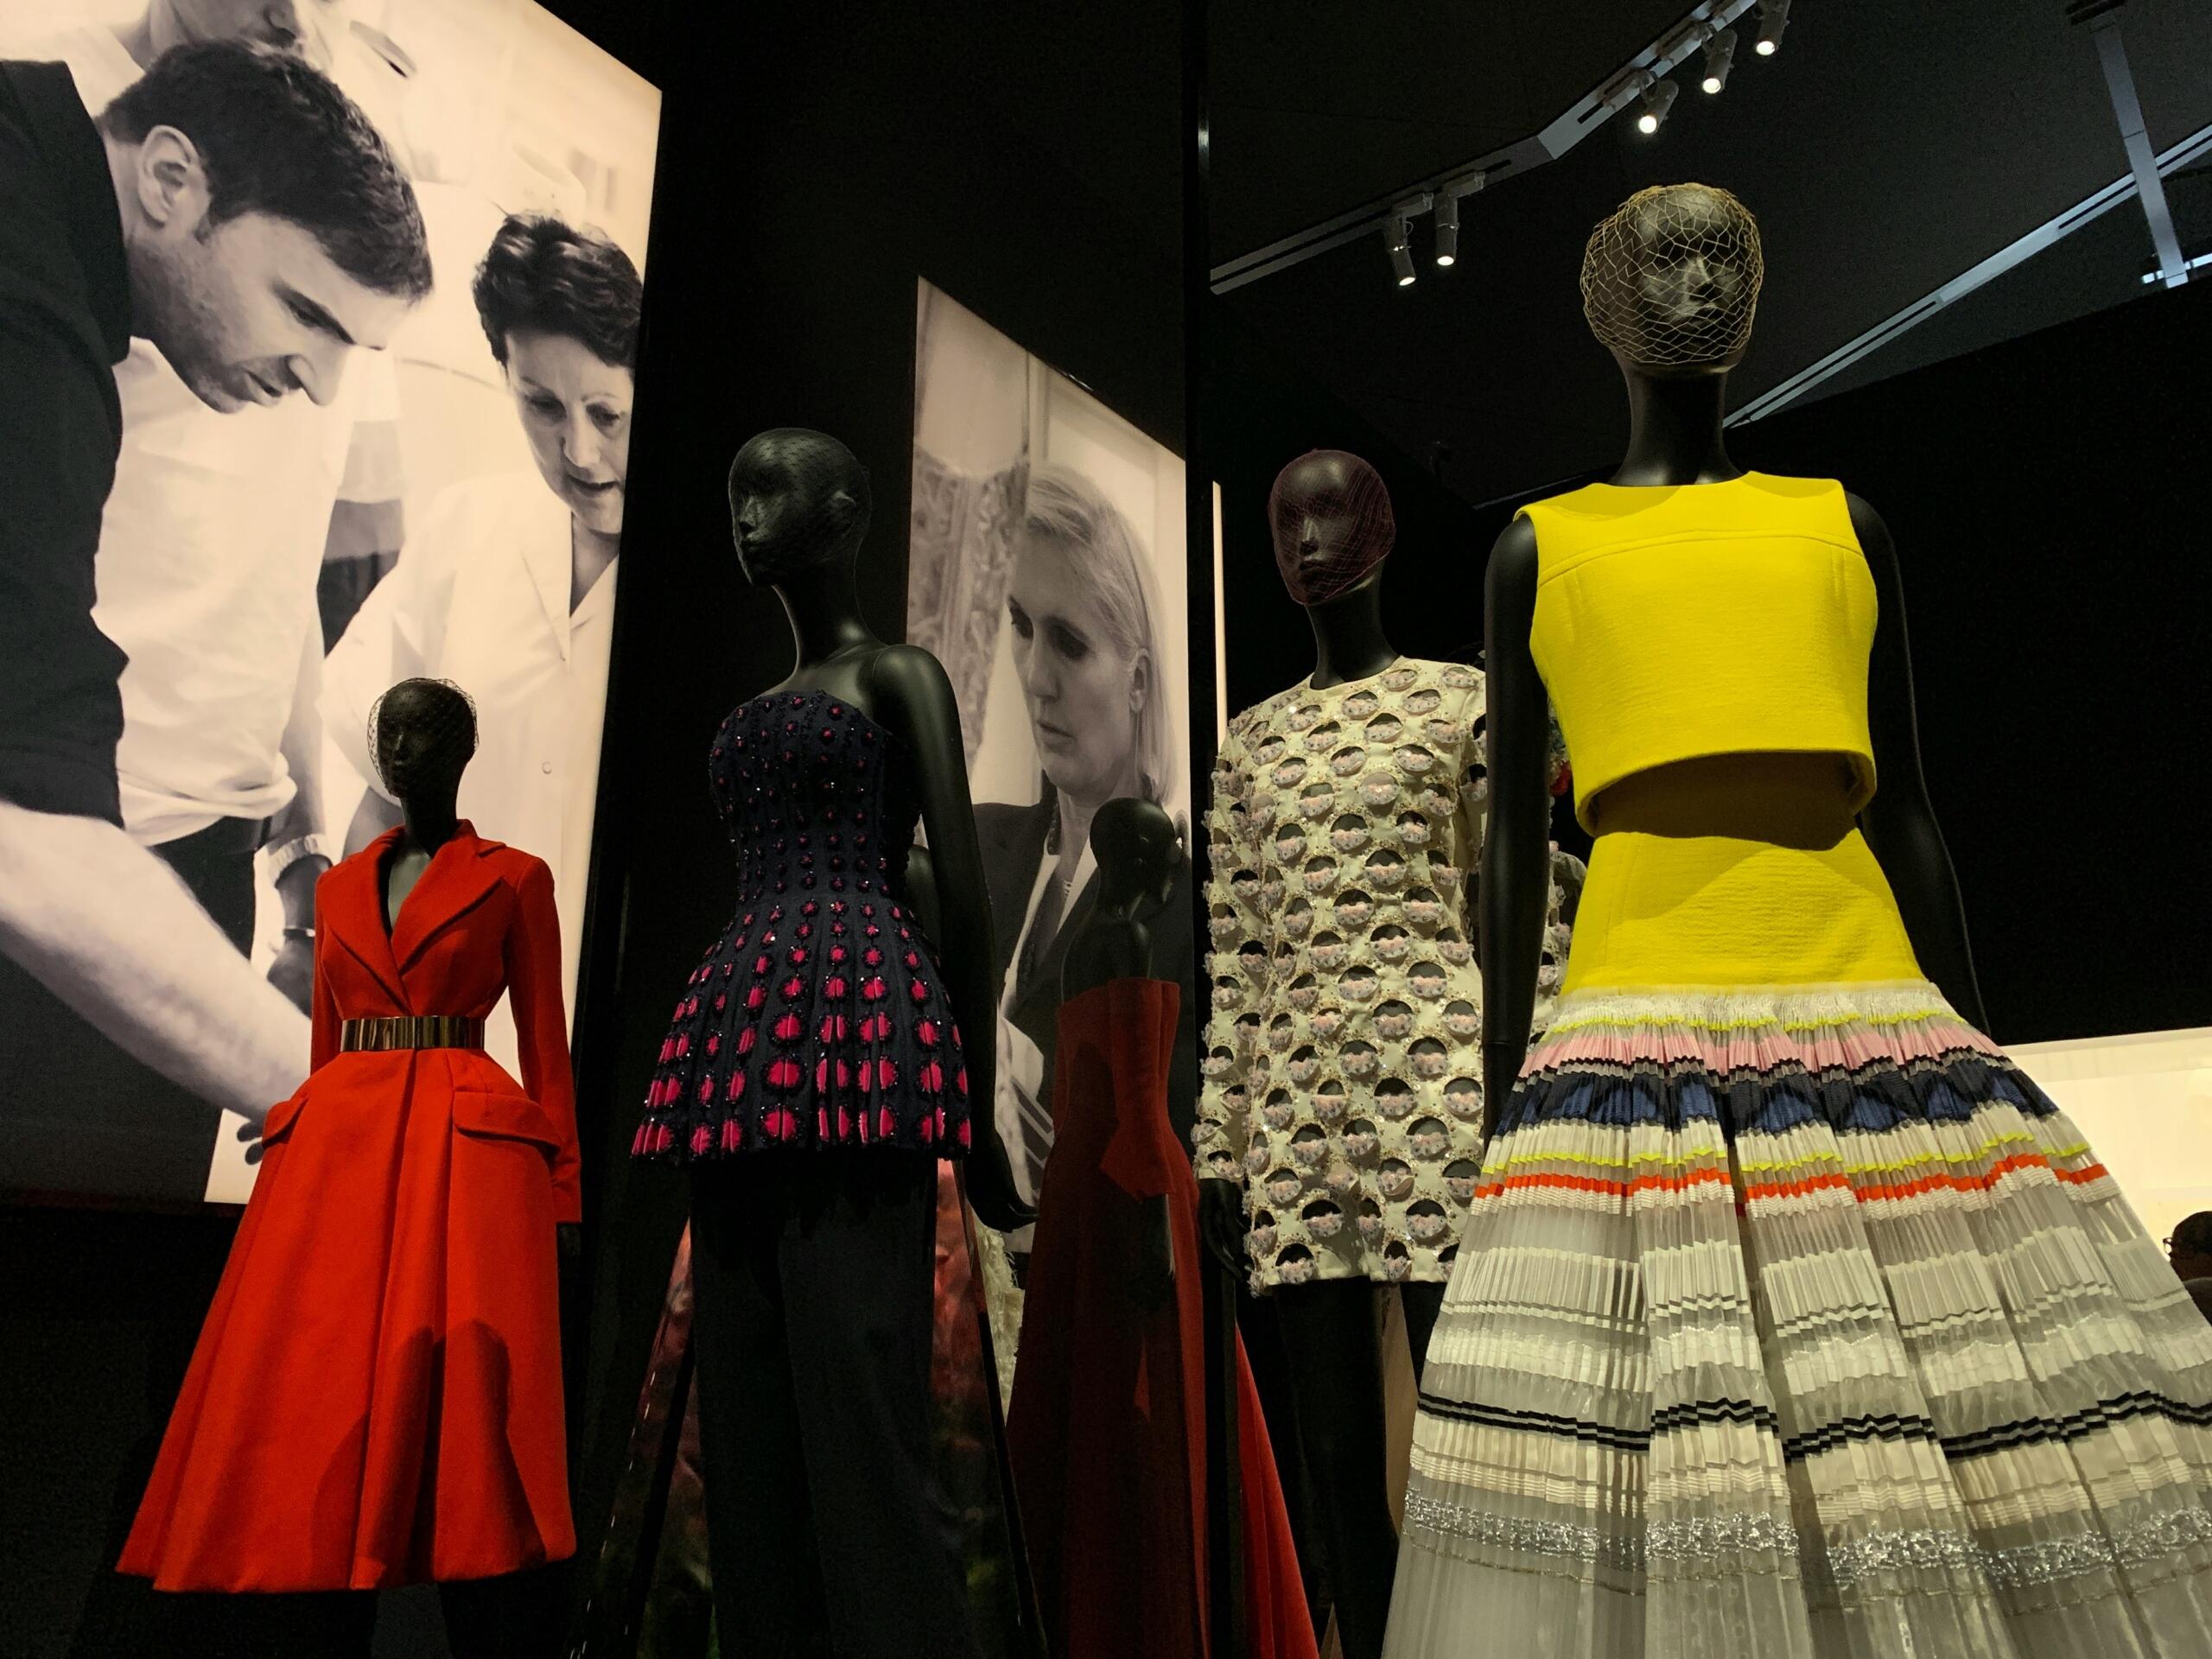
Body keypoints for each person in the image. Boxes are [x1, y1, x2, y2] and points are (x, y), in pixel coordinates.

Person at [0, 39, 430, 1205]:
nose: (324, 383)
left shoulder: (67, 206)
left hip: (191, 855)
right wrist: (350, 1106)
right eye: (304, 313)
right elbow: (28, 843)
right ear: (171, 180)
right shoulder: (29, 311)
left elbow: (277, 571)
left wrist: (298, 855)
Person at [323, 213, 641, 1075]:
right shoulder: (469, 526)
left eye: (608, 413)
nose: (580, 450)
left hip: (612, 1056)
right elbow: (374, 791)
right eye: (542, 405)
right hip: (432, 1045)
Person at [976, 466, 1197, 1221]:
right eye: (1023, 625)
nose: (1036, 678)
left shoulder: (1188, 907)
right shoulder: (974, 845)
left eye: (1069, 643)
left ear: (1137, 681)